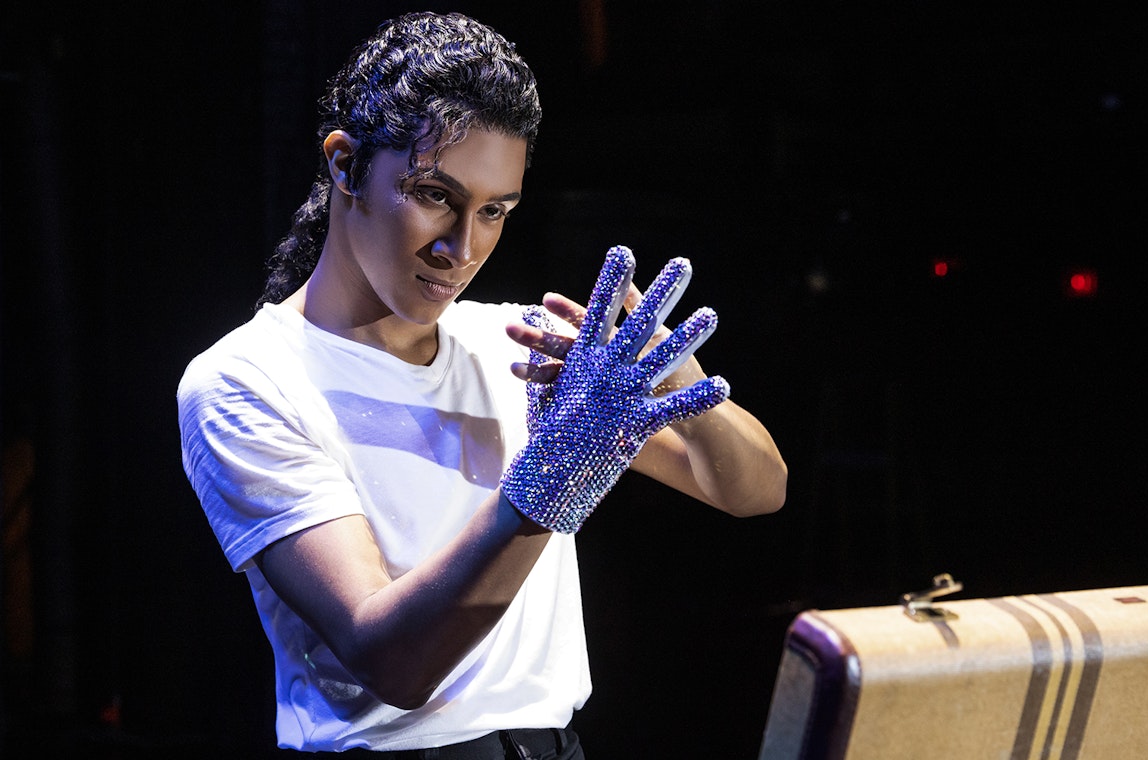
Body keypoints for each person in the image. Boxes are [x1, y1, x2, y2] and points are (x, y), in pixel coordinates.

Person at [177, 11, 786, 758]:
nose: (461, 248)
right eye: (435, 194)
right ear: (344, 165)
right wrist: (551, 481)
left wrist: (681, 393)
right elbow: (393, 661)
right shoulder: (247, 380)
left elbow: (755, 491)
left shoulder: (515, 342)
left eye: (494, 211)